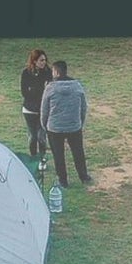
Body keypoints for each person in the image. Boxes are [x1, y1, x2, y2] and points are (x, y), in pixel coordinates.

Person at [42, 58, 91, 186]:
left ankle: (63, 180)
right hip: (74, 126)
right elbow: (83, 107)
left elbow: (44, 109)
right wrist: (80, 122)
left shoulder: (50, 88)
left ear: (56, 72)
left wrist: (45, 125)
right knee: (78, 152)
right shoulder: (77, 86)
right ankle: (84, 176)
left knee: (58, 155)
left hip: (54, 128)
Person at [20, 47, 52, 164]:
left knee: (41, 137)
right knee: (32, 137)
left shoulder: (48, 72)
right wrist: (39, 91)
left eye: (44, 60)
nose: (44, 63)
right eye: (41, 60)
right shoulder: (26, 73)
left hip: (43, 110)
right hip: (29, 110)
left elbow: (49, 91)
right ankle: (33, 159)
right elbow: (24, 92)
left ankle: (42, 159)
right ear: (34, 61)